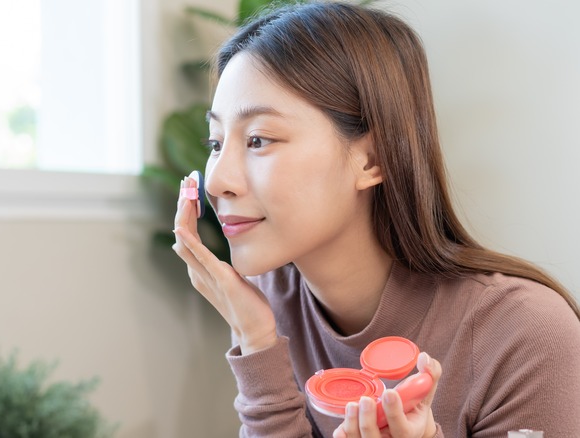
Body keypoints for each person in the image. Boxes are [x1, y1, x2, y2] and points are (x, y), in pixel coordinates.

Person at [171, 2, 580, 437]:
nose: (217, 180)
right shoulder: (265, 305)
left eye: (258, 139)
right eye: (215, 143)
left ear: (373, 158)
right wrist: (256, 343)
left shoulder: (526, 336)